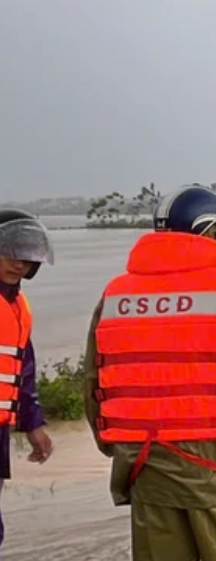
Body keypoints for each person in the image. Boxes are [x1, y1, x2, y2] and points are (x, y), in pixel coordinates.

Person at [83, 185, 216, 561]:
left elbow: (95, 382)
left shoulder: (115, 296)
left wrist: (115, 445)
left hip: (144, 459)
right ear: (211, 231)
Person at [0, 210, 54, 551]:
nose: (18, 265)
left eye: (26, 259)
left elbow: (24, 371)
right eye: (10, 254)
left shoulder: (18, 306)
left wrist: (32, 423)